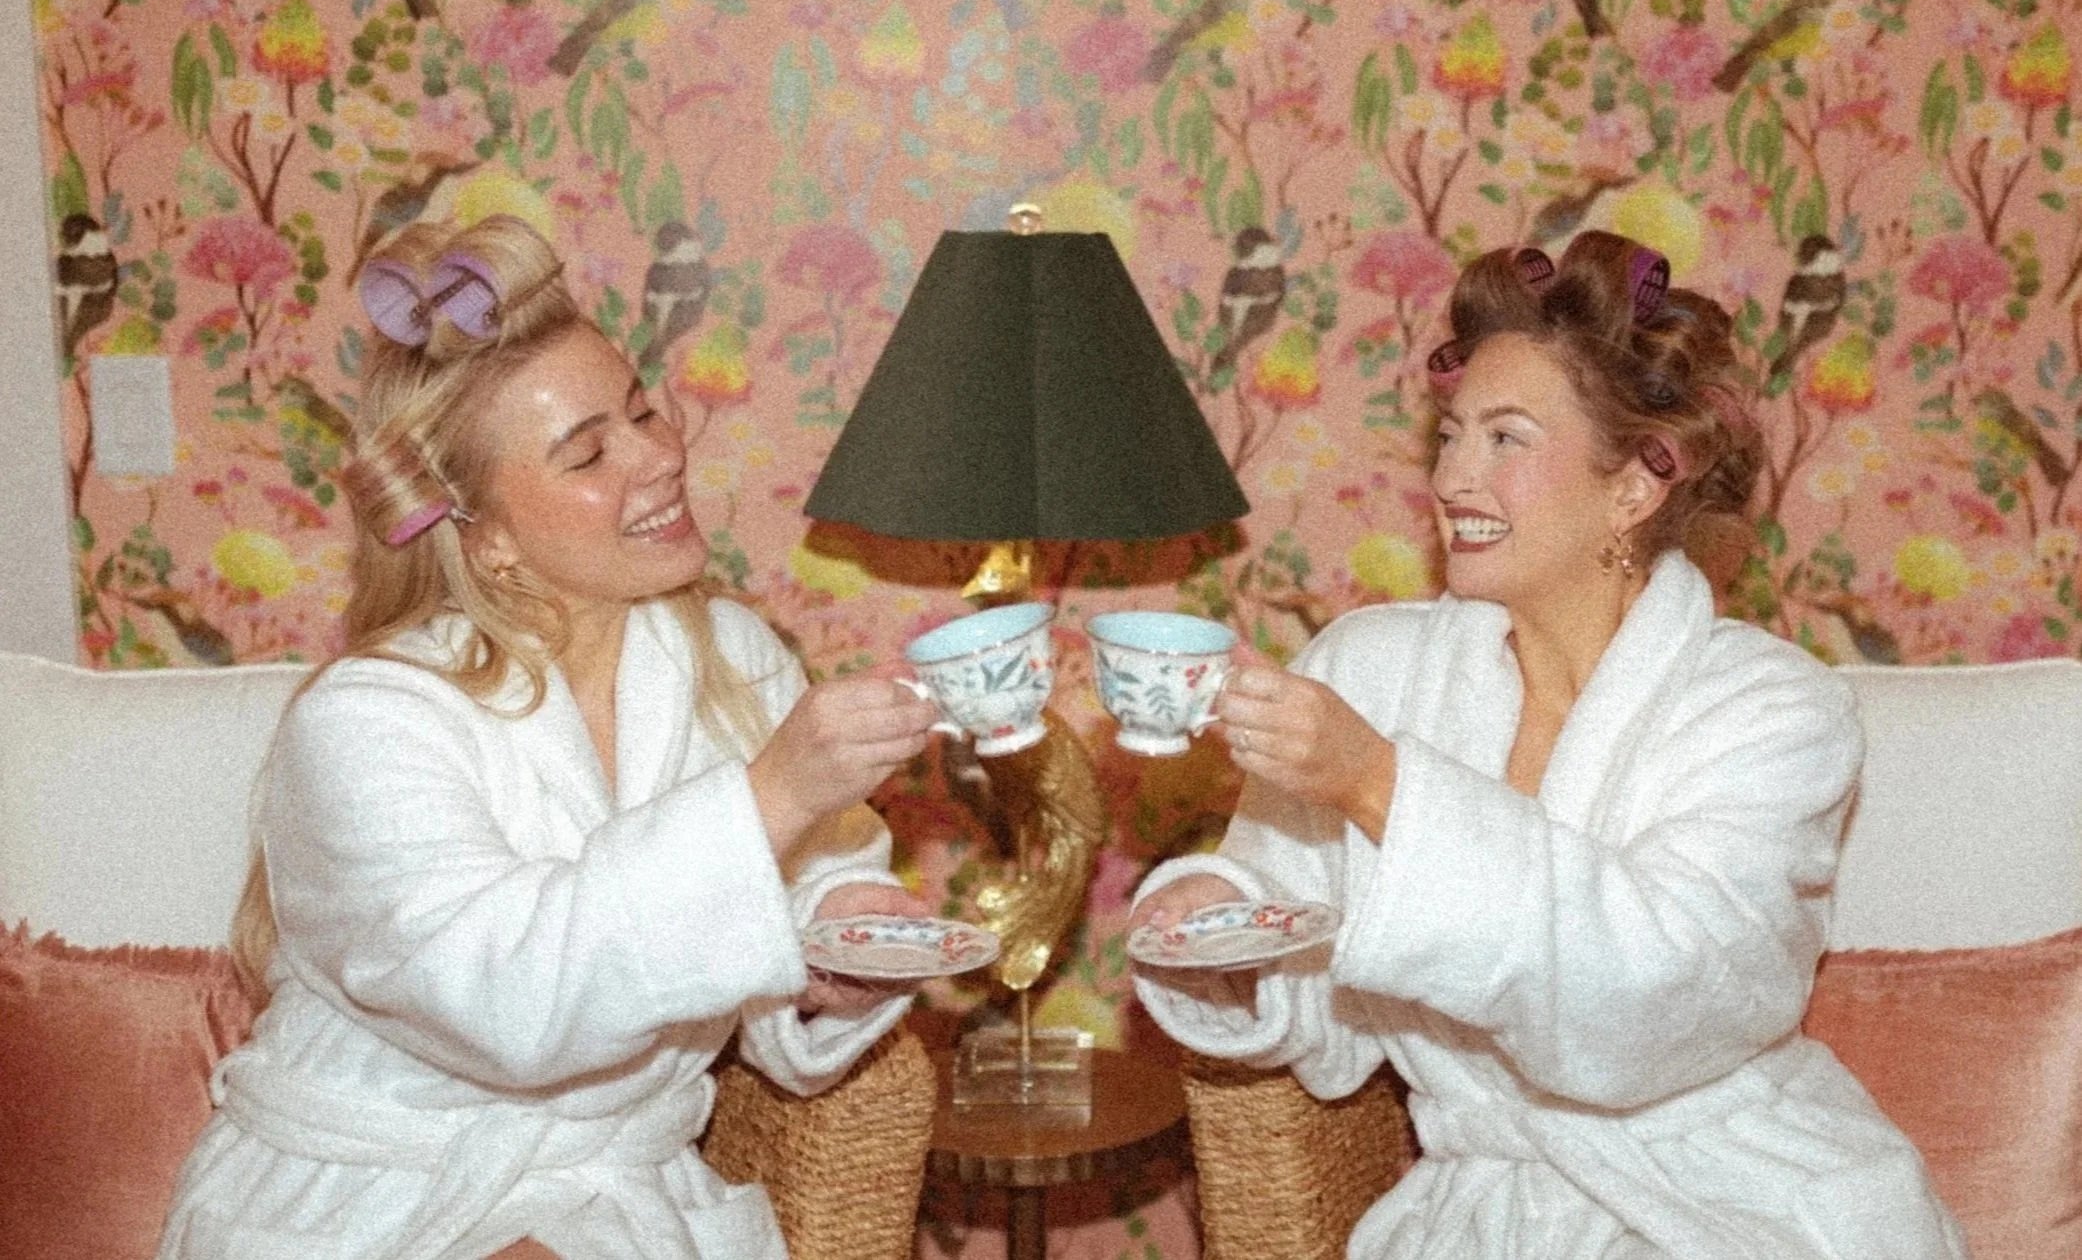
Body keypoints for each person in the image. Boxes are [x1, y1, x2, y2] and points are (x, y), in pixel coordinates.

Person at [1131, 232, 1965, 1258]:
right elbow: (1312, 984)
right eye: (1450, 434)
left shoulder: (1773, 710)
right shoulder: (1372, 670)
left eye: (1505, 438)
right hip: (1483, 1211)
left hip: (1739, 1202)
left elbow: (1653, 1008)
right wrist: (1218, 940)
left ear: (1635, 484)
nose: (1452, 478)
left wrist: (1375, 780)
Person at [155, 215, 943, 1259]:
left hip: (612, 1192)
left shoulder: (734, 658)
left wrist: (839, 939)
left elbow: (800, 886)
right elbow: (507, 1001)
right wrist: (775, 792)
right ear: (489, 539)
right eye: (589, 453)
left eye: (642, 411)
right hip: (368, 1197)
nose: (659, 458)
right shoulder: (365, 722)